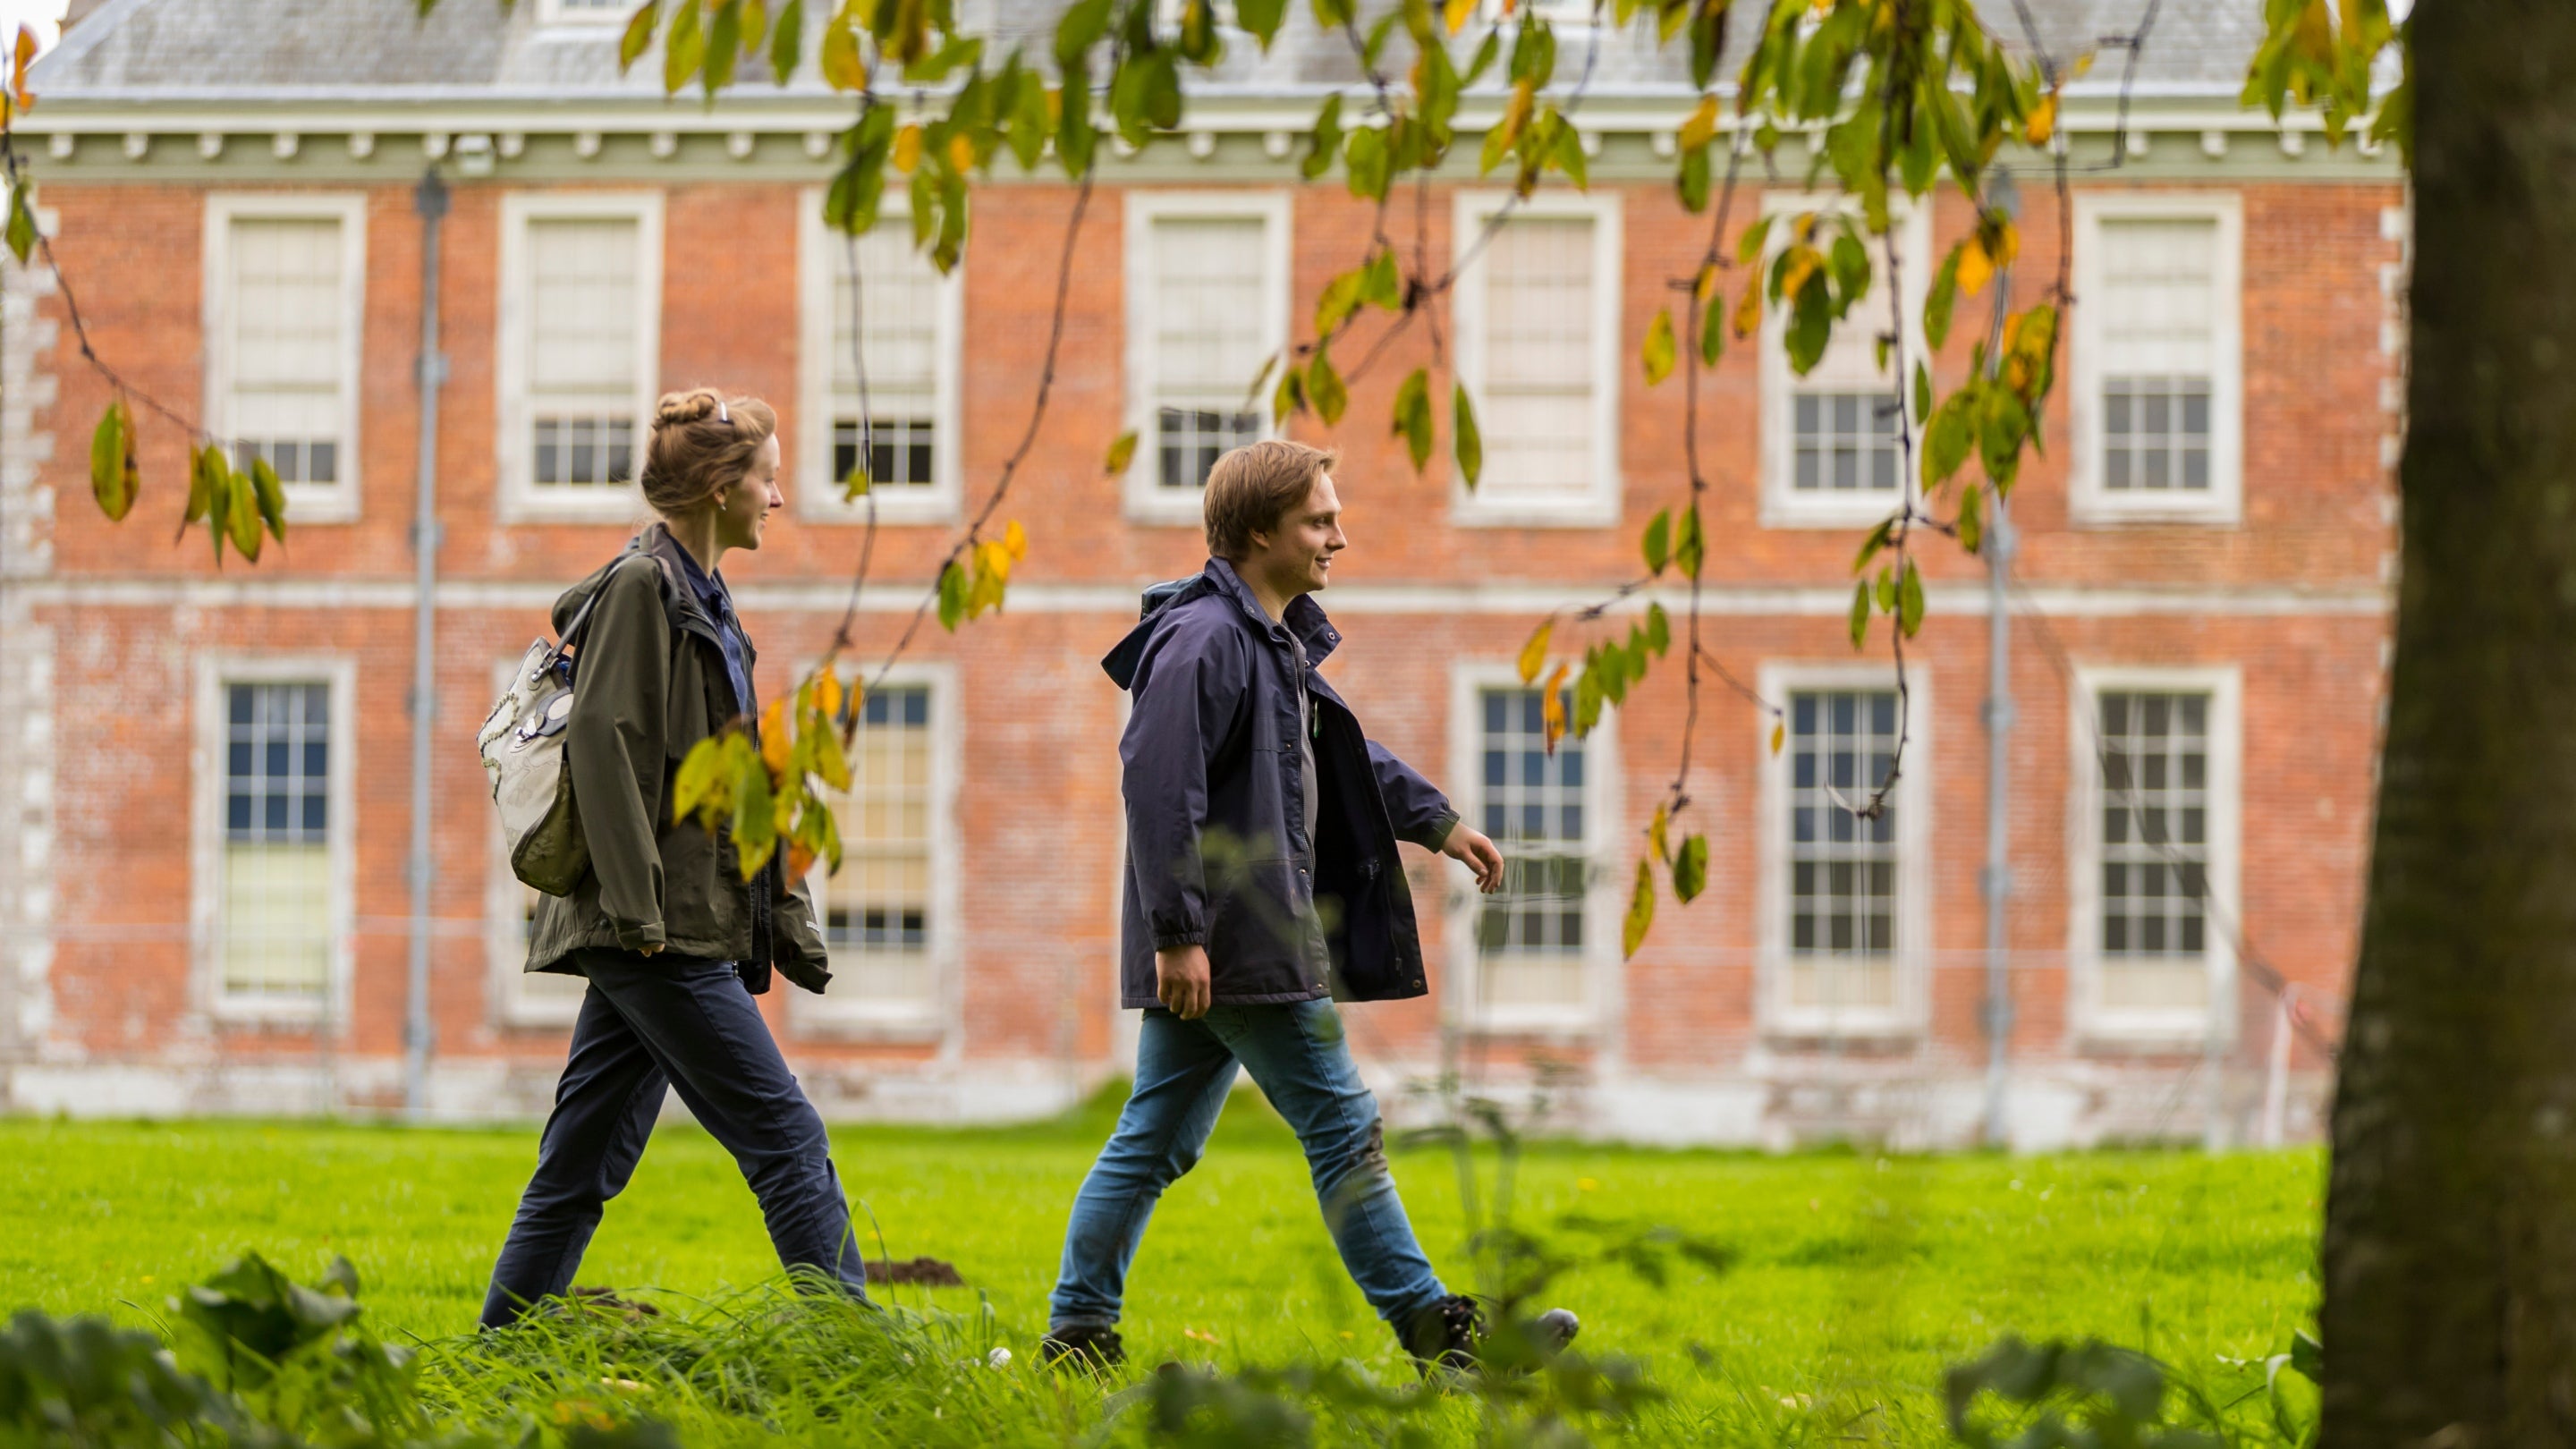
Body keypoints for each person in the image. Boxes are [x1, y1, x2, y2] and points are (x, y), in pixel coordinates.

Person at [1042, 439, 1578, 1373]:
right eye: (1320, 520)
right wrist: (1179, 935)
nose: (1340, 536)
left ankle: (1078, 1333)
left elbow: (1338, 751)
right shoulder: (1205, 641)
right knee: (1342, 1125)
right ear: (1258, 531)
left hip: (1233, 942)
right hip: (1240, 942)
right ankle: (1439, 1337)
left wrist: (1437, 822)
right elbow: (1159, 786)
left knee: (1153, 1139)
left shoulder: (1266, 640)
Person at [479, 388, 870, 1328]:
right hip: (655, 934)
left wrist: (782, 916)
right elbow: (606, 751)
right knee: (785, 1135)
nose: (779, 500)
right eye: (769, 480)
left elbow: (739, 780)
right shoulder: (638, 590)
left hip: (666, 927)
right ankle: (855, 1348)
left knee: (581, 1162)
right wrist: (643, 916)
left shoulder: (711, 603)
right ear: (720, 487)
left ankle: (501, 1346)